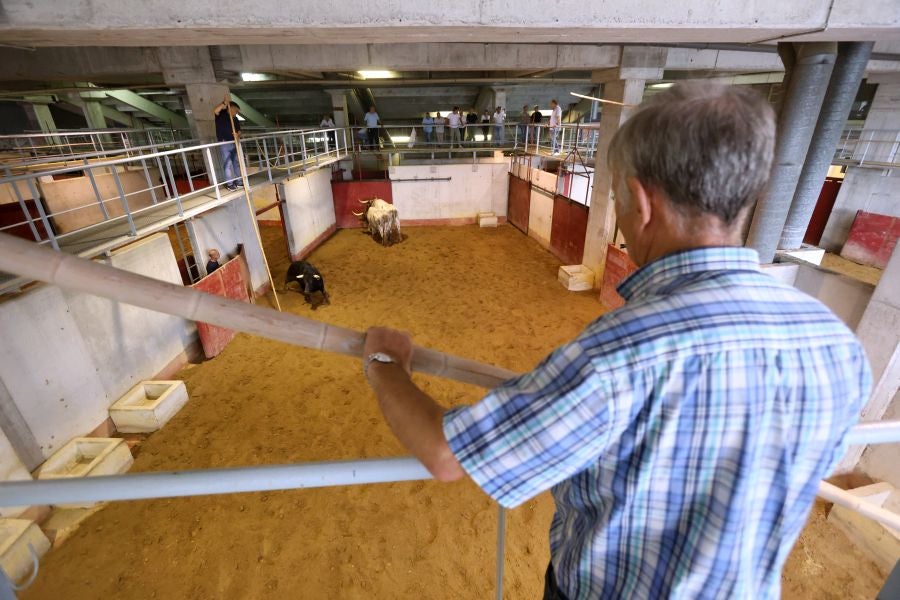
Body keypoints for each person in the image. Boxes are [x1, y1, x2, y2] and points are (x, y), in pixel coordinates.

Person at [360, 82, 872, 600]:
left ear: (642, 202)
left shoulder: (618, 354)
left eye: (620, 200)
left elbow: (446, 454)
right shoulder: (836, 345)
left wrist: (384, 362)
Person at [213, 97, 242, 191]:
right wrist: (224, 103)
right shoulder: (221, 114)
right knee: (227, 164)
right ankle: (230, 184)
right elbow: (215, 110)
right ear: (231, 108)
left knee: (236, 163)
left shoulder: (235, 119)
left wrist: (237, 135)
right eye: (236, 111)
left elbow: (239, 131)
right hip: (224, 143)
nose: (236, 113)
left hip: (233, 143)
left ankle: (239, 182)